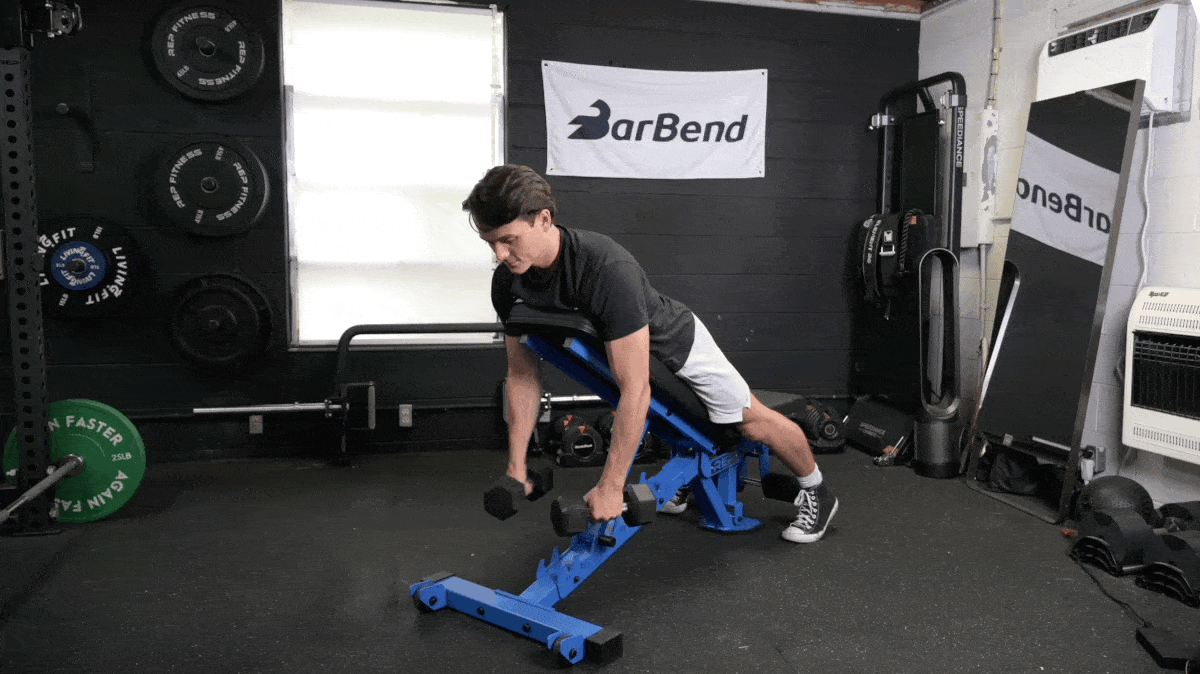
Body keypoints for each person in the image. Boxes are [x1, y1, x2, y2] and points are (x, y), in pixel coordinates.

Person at [462, 165, 837, 543]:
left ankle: (816, 490)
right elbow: (522, 376)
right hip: (621, 351)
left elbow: (637, 388)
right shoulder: (508, 283)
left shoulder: (604, 266)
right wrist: (516, 466)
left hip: (678, 344)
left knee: (749, 421)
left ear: (544, 219)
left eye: (509, 239)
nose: (499, 254)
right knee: (671, 423)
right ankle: (694, 484)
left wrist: (611, 486)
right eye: (490, 242)